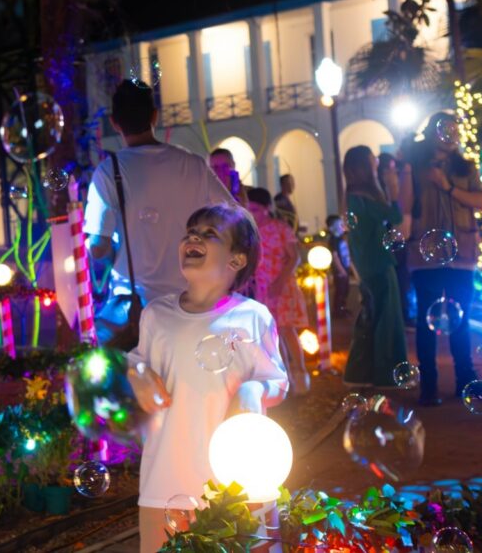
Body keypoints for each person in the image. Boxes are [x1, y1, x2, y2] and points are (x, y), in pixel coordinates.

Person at [127, 204, 288, 553]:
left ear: (236, 260)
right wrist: (136, 373)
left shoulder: (252, 317)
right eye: (190, 232)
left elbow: (277, 380)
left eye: (210, 234)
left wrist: (253, 388)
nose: (194, 237)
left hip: (241, 485)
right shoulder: (157, 314)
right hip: (166, 482)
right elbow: (136, 363)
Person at [85, 80, 232, 345]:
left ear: (115, 123)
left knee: (136, 381)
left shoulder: (109, 172)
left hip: (135, 309)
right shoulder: (193, 164)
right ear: (155, 116)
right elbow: (232, 215)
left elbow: (98, 247)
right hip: (191, 301)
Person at [407, 113, 482, 405]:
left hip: (462, 252)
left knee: (460, 319)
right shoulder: (414, 167)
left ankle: (465, 379)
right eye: (445, 131)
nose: (451, 136)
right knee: (426, 322)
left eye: (455, 131)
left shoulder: (466, 168)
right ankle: (429, 385)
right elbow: (403, 206)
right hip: (424, 254)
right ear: (431, 134)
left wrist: (449, 187)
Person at [342, 146, 409, 388]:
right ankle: (387, 373)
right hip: (378, 263)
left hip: (369, 263)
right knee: (386, 318)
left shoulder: (353, 196)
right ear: (363, 166)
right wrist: (392, 191)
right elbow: (394, 215)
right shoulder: (363, 197)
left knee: (371, 316)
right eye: (372, 160)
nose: (376, 164)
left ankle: (360, 373)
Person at [246, 187, 311, 394]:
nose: (253, 214)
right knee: (272, 334)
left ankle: (300, 374)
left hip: (282, 285)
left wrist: (280, 282)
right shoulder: (251, 231)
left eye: (256, 209)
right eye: (250, 210)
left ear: (267, 208)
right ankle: (284, 376)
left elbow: (294, 257)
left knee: (286, 330)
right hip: (263, 287)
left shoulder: (280, 228)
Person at [377, 153, 412, 328]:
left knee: (403, 278)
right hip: (393, 240)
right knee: (398, 279)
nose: (394, 171)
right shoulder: (381, 190)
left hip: (403, 238)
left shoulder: (396, 185)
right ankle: (400, 315)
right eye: (391, 167)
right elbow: (394, 215)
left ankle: (403, 313)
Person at [325, 214, 352, 317]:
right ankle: (338, 311)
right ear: (331, 228)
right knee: (340, 290)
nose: (342, 226)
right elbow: (335, 256)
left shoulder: (340, 238)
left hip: (344, 268)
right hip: (339, 270)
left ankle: (342, 308)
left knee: (345, 289)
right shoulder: (333, 240)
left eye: (342, 224)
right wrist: (341, 270)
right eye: (339, 225)